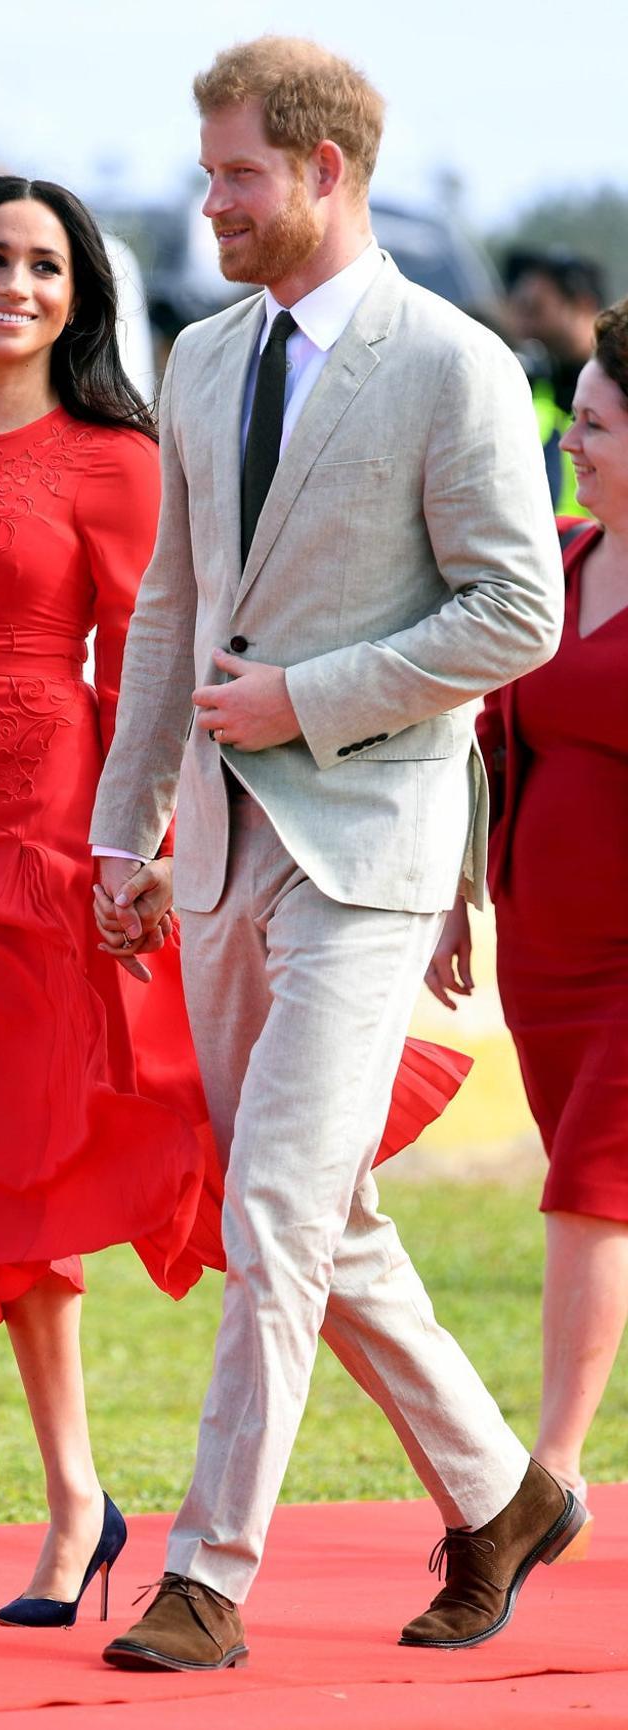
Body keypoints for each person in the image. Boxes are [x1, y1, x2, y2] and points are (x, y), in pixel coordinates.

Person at [0, 174, 468, 1632]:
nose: (16, 284)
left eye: (45, 265)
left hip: (53, 862)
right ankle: (77, 1507)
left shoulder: (114, 460)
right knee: (14, 1178)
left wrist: (153, 849)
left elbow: (154, 672)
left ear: (79, 294)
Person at [90, 36, 582, 1672]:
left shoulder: (447, 364)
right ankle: (501, 1493)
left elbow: (513, 609)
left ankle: (206, 1577)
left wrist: (301, 700)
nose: (208, 201)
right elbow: (169, 606)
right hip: (222, 859)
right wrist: (122, 823)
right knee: (313, 1215)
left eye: (235, 172)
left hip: (369, 848)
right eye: (206, 171)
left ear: (323, 170)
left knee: (279, 1207)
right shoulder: (201, 353)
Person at [427, 296, 628, 1562]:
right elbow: (480, 737)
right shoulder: (552, 556)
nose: (569, 440)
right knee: (598, 1188)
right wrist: (454, 883)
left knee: (587, 1193)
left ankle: (546, 1473)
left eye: (596, 422)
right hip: (544, 954)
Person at [506, 249, 606, 517]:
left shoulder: (618, 389)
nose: (523, 323)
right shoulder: (534, 384)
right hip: (562, 551)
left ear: (583, 305)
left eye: (535, 309)